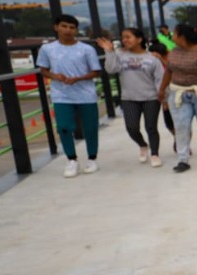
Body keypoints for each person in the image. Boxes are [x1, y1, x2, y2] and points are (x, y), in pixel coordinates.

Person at [37, 14, 103, 178]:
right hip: (61, 94)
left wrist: (79, 78)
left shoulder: (87, 49)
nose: (68, 30)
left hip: (86, 94)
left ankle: (92, 158)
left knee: (90, 128)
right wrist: (54, 76)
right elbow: (43, 69)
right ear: (56, 27)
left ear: (76, 30)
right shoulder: (47, 49)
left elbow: (96, 71)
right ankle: (71, 159)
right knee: (64, 127)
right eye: (64, 26)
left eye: (72, 27)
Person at [158, 23, 197, 173]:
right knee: (181, 127)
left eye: (174, 34)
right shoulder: (174, 52)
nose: (172, 36)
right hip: (179, 93)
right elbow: (168, 71)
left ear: (182, 37)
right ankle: (183, 159)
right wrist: (162, 89)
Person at [96, 28, 166, 167]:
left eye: (128, 37)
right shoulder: (120, 55)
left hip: (151, 97)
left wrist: (163, 97)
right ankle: (143, 144)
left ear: (139, 39)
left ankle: (155, 154)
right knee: (131, 127)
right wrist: (109, 52)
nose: (125, 40)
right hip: (129, 98)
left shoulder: (152, 58)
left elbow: (160, 79)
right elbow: (111, 69)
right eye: (123, 37)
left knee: (151, 127)